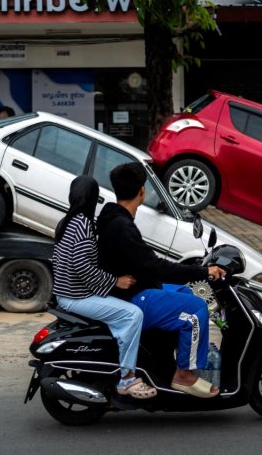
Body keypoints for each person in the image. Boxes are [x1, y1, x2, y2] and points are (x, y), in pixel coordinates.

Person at [97, 162, 225, 399]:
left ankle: (170, 360)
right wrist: (202, 272)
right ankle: (184, 376)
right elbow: (155, 266)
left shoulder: (113, 217)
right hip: (133, 296)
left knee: (187, 294)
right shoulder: (121, 226)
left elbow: (145, 262)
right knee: (196, 309)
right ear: (142, 191)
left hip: (138, 287)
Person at [52, 175, 157, 399]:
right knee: (133, 315)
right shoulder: (82, 225)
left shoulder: (68, 221)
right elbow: (82, 267)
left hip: (67, 293)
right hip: (76, 296)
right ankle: (127, 378)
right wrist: (115, 281)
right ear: (93, 198)